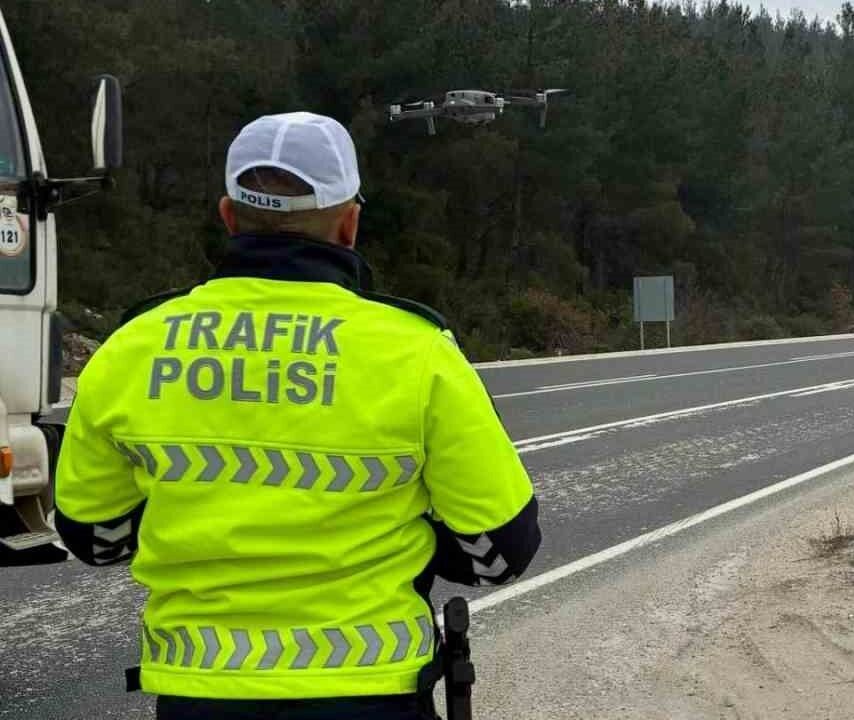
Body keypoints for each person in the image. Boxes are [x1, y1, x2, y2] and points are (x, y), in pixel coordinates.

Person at [53, 112, 541, 719]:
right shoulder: (417, 352)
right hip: (370, 695)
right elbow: (501, 552)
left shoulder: (132, 348)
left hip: (200, 697)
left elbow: (95, 540)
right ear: (349, 224)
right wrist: (409, 536)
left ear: (228, 216)